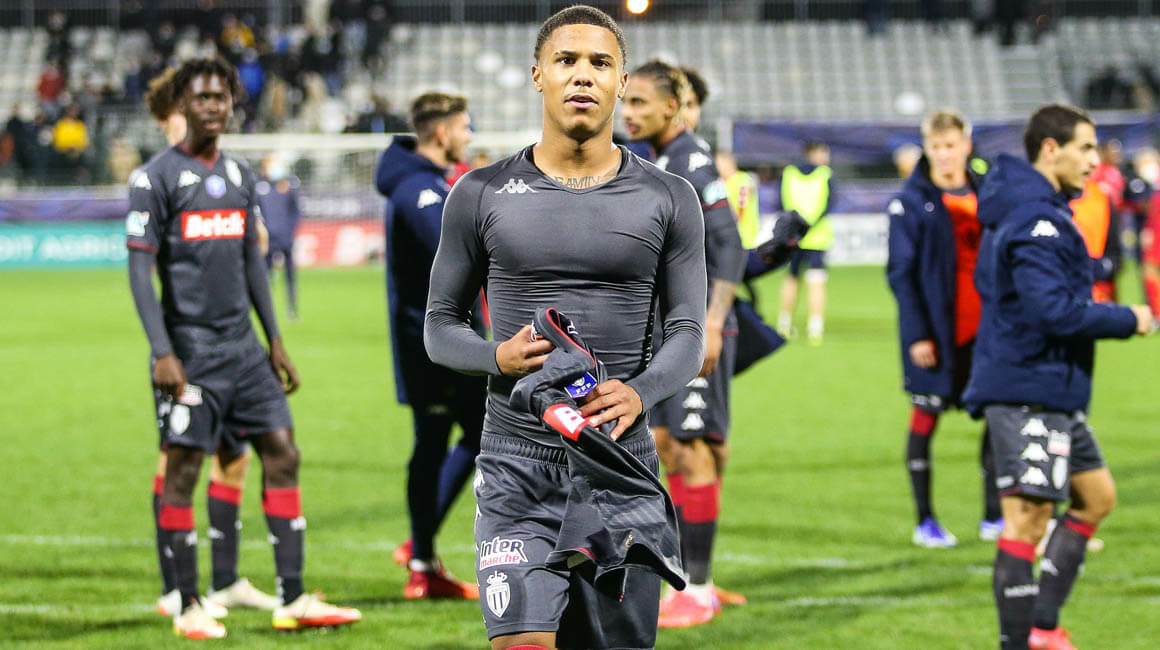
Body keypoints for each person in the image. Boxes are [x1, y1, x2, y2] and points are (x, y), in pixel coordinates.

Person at [423, 7, 708, 649]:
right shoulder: (480, 192)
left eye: (600, 63)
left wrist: (640, 392)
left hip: (618, 463)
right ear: (538, 75)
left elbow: (689, 332)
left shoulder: (669, 197)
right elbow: (439, 326)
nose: (583, 75)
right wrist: (496, 357)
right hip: (517, 465)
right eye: (567, 61)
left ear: (620, 81)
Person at [127, 56, 360, 639]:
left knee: (282, 453)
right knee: (182, 470)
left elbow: (253, 262)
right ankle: (186, 602)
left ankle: (293, 598)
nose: (213, 106)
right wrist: (162, 351)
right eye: (202, 97)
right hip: (191, 355)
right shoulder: (153, 178)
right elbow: (139, 272)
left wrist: (275, 340)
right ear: (183, 105)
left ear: (232, 105)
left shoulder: (239, 174)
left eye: (221, 97)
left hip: (246, 352)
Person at [963, 104, 1153, 650]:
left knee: (1096, 497)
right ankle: (1020, 640)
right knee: (1027, 520)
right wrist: (1128, 318)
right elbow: (1053, 312)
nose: (1095, 160)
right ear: (1051, 149)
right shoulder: (1036, 219)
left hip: (1051, 385)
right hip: (1026, 386)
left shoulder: (1040, 210)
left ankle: (1043, 626)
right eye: (1085, 147)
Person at [140, 66, 281, 620]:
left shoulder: (224, 167)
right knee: (175, 461)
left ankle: (225, 580)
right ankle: (175, 586)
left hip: (233, 345)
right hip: (189, 343)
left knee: (234, 458)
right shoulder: (167, 170)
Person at [622, 58, 746, 629]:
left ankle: (696, 588)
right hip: (673, 330)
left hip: (695, 331)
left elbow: (730, 245)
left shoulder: (690, 159)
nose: (628, 113)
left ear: (671, 107)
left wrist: (713, 322)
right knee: (676, 445)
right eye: (626, 102)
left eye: (639, 103)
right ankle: (697, 579)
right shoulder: (662, 159)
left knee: (694, 449)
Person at [374, 91, 483, 600]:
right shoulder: (417, 189)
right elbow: (450, 251)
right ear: (442, 132)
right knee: (474, 432)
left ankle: (421, 558)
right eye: (464, 127)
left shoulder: (431, 182)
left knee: (443, 438)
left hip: (444, 338)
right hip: (432, 344)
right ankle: (420, 553)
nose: (468, 136)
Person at [886, 109, 1001, 548]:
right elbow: (901, 273)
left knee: (997, 416)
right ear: (927, 148)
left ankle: (994, 515)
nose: (945, 154)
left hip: (987, 330)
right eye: (936, 147)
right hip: (936, 331)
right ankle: (926, 521)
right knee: (925, 419)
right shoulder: (912, 201)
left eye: (951, 145)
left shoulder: (988, 191)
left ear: (966, 146)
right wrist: (918, 334)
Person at [777, 140, 835, 345]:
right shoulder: (825, 175)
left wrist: (796, 227)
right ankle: (815, 327)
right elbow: (828, 205)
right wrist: (810, 225)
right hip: (817, 237)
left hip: (793, 236)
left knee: (792, 278)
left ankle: (784, 324)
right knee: (816, 281)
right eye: (824, 152)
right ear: (813, 153)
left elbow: (781, 202)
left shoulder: (788, 173)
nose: (827, 157)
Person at [257, 153, 302, 319]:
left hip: (285, 238)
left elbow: (295, 212)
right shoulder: (259, 187)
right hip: (268, 240)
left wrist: (290, 231)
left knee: (290, 276)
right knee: (266, 276)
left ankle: (292, 308)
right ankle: (267, 309)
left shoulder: (289, 185)